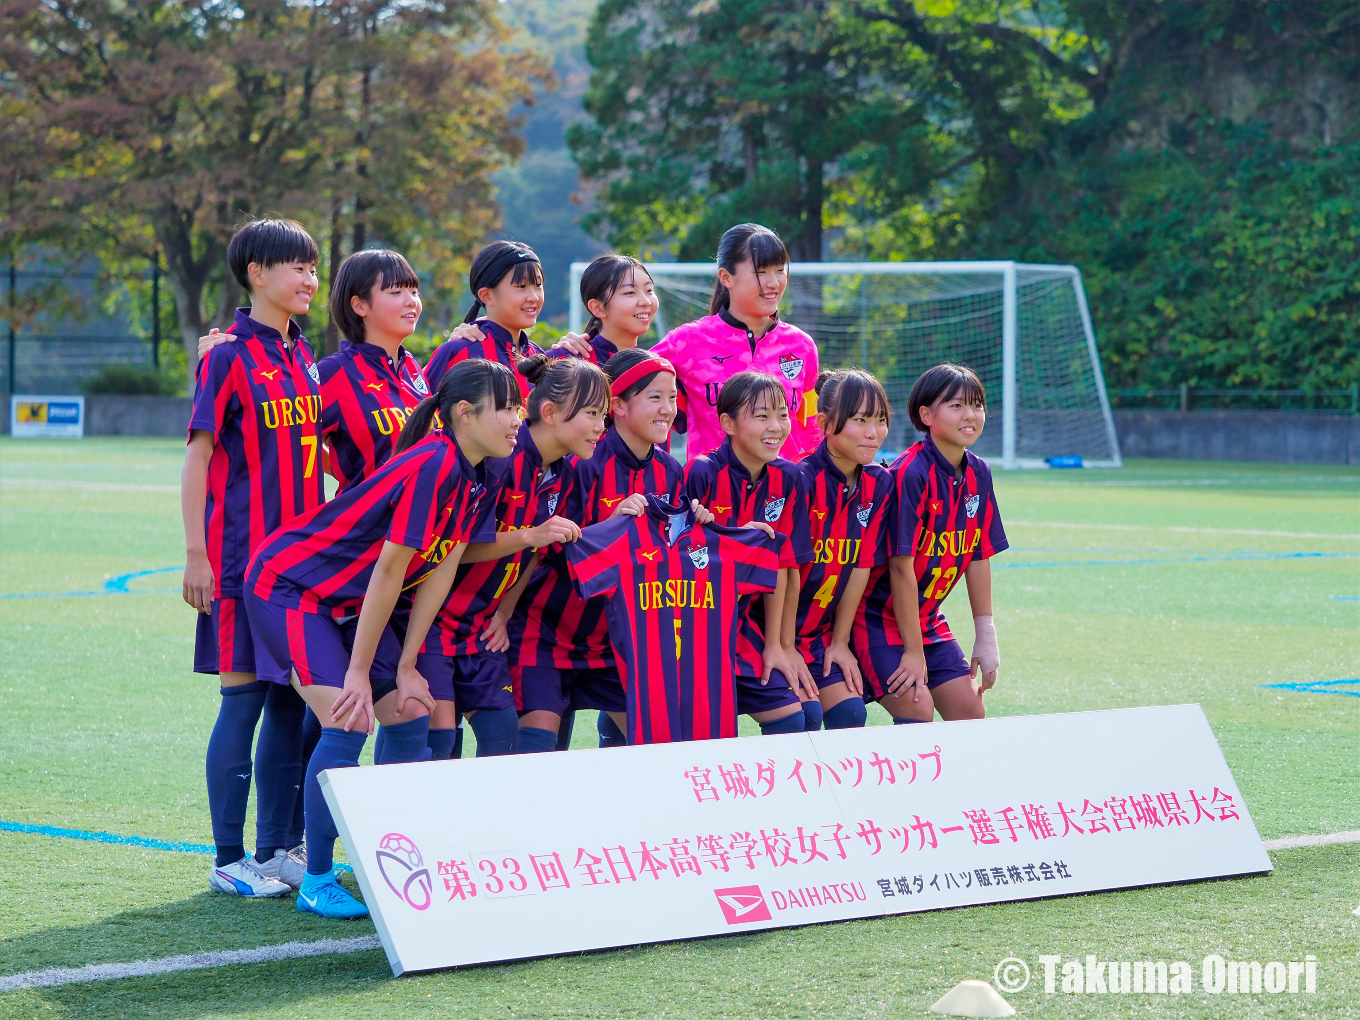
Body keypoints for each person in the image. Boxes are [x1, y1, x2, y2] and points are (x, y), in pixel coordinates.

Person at [244, 359, 522, 918]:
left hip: (344, 602)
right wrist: (358, 673)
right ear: (465, 415)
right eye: (507, 407)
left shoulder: (483, 469)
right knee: (349, 717)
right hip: (290, 587)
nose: (517, 418)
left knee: (411, 709)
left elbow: (441, 565)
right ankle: (317, 877)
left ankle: (385, 857)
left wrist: (407, 664)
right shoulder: (436, 463)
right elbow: (390, 571)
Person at [181, 218, 324, 899]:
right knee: (241, 705)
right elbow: (198, 456)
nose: (308, 279)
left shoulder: (302, 355)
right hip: (241, 564)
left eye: (314, 267)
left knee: (290, 707)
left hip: (298, 570)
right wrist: (196, 555)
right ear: (256, 274)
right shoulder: (227, 355)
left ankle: (276, 850)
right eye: (294, 267)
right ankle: (227, 857)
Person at [508, 348, 711, 749]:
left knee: (656, 739)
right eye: (655, 397)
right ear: (616, 406)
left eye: (672, 398)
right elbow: (549, 549)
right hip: (543, 630)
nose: (667, 409)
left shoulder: (670, 470)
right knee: (537, 751)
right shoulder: (582, 457)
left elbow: (669, 555)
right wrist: (610, 530)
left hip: (612, 638)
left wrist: (700, 528)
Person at [421, 354, 608, 756]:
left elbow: (535, 555)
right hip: (430, 618)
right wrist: (529, 536)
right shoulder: (500, 457)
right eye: (592, 413)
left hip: (479, 627)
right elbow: (455, 547)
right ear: (550, 412)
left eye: (604, 415)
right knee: (432, 741)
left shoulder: (565, 474)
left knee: (503, 735)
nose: (601, 427)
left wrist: (503, 612)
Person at [852, 363, 1007, 723]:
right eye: (956, 405)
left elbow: (978, 555)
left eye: (977, 404)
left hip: (926, 617)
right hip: (877, 617)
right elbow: (899, 566)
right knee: (917, 706)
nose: (970, 415)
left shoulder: (979, 472)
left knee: (970, 711)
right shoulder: (910, 474)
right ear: (927, 415)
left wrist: (986, 633)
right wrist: (912, 650)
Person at [683, 372, 814, 734]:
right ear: (727, 423)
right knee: (711, 729)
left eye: (783, 414)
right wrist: (736, 539)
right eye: (761, 416)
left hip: (745, 626)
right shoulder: (703, 472)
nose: (776, 426)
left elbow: (785, 568)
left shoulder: (789, 478)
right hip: (695, 628)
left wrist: (779, 645)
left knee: (798, 716)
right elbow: (682, 559)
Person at [650, 223, 820, 462]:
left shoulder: (802, 346)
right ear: (726, 277)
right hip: (711, 497)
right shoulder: (686, 342)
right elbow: (618, 384)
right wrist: (578, 346)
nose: (774, 282)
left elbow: (810, 429)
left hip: (786, 496)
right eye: (761, 272)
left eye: (780, 270)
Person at [782, 370, 893, 730]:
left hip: (819, 635)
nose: (872, 432)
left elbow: (861, 564)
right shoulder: (798, 479)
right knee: (805, 717)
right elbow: (787, 572)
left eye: (879, 420)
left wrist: (840, 642)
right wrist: (785, 645)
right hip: (772, 632)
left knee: (850, 713)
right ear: (825, 424)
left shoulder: (879, 482)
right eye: (860, 420)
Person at [424, 240, 545, 396]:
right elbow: (421, 412)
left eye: (538, 284)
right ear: (487, 296)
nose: (534, 296)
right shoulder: (459, 352)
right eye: (521, 286)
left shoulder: (538, 355)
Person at [550, 253, 658, 366]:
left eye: (649, 290)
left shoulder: (657, 368)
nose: (646, 301)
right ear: (598, 308)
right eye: (630, 292)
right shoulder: (563, 363)